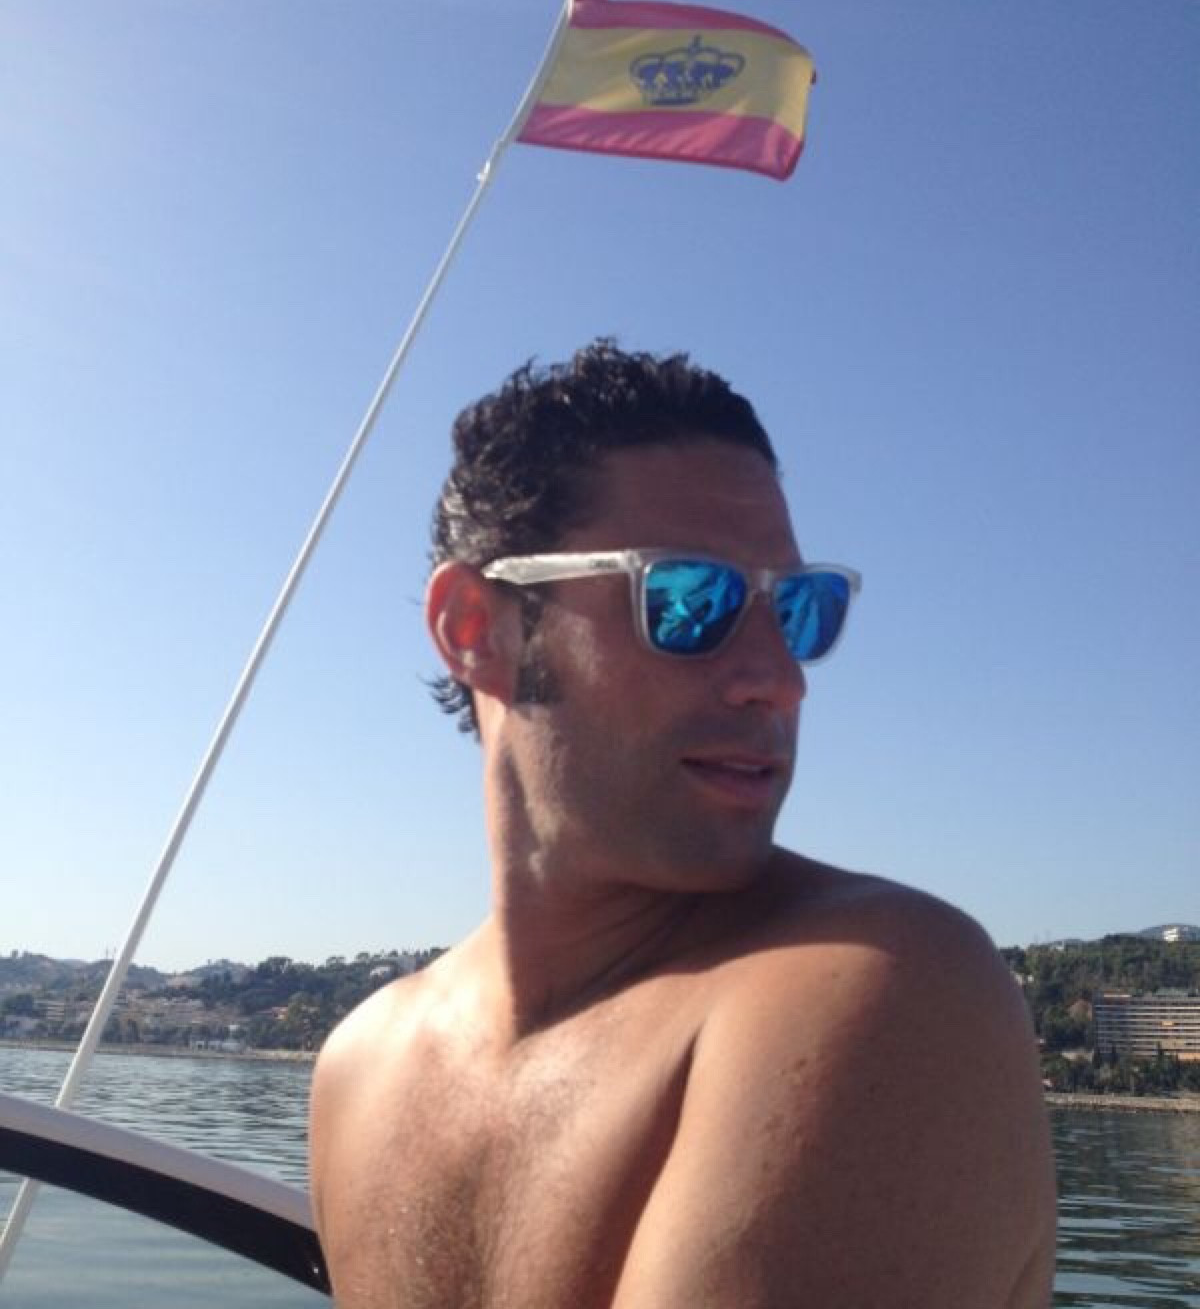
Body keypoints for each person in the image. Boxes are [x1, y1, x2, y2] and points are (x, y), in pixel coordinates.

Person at [309, 340, 1056, 1309]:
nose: (779, 679)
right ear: (476, 628)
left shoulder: (882, 986)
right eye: (689, 601)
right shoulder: (357, 1069)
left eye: (802, 610)